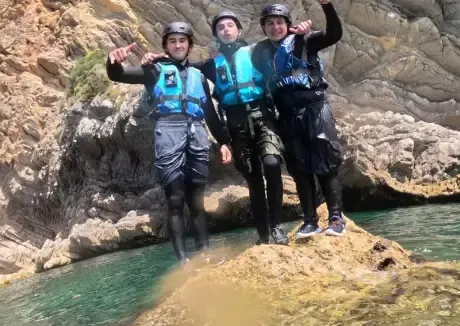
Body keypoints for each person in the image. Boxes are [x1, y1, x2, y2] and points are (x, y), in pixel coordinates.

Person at [144, 12, 294, 246]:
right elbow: (182, 64)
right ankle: (264, 235)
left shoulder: (258, 51)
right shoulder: (212, 65)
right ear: (216, 35)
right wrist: (158, 60)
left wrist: (299, 32)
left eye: (230, 25)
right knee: (253, 179)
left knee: (273, 164)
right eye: (220, 27)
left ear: (239, 30)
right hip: (236, 124)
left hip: (262, 116)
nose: (226, 30)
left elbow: (282, 42)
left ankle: (276, 228)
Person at [106, 26, 233, 264]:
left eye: (182, 41)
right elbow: (118, 75)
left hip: (197, 134)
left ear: (189, 46)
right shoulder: (154, 70)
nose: (178, 45)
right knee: (175, 199)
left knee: (197, 200)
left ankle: (205, 253)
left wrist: (225, 142)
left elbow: (211, 115)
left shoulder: (199, 78)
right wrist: (113, 62)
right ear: (166, 46)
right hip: (168, 133)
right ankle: (183, 261)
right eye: (172, 41)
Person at [251, 2, 346, 239]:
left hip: (315, 108)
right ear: (263, 27)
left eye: (280, 23)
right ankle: (310, 221)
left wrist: (326, 6)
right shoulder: (259, 53)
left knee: (325, 163)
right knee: (300, 169)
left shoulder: (305, 40)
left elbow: (335, 34)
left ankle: (336, 218)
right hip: (287, 115)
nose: (275, 27)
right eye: (270, 23)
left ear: (288, 25)